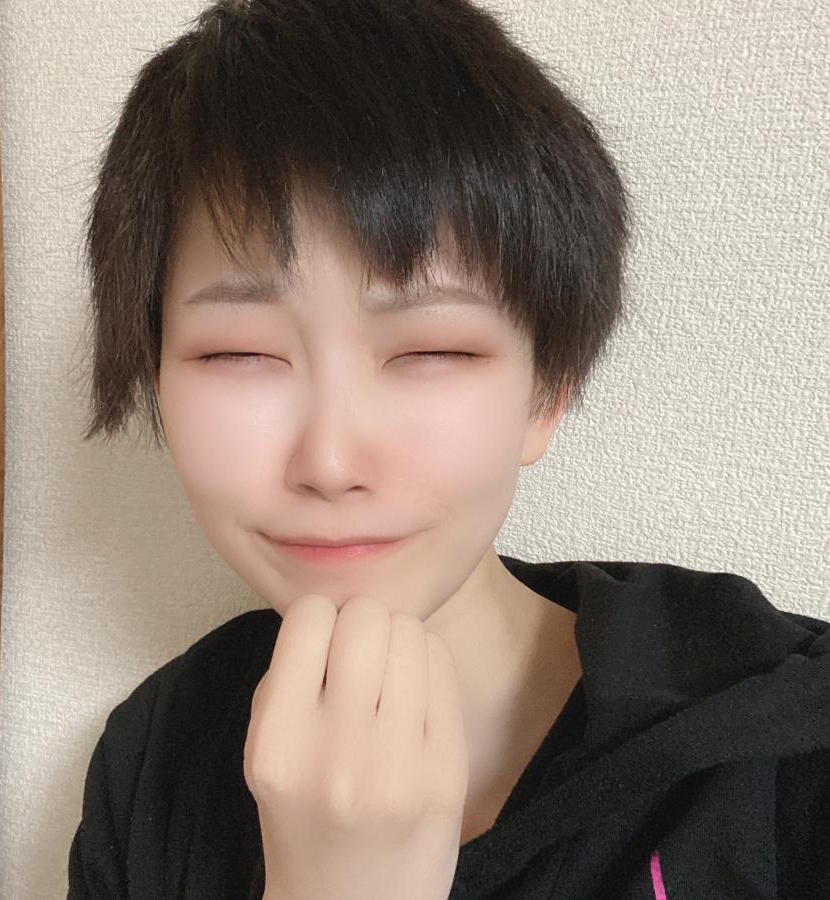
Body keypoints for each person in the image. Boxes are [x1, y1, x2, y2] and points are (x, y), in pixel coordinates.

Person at [67, 1, 830, 898]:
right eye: (239, 354)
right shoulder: (149, 765)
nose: (331, 463)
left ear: (548, 391)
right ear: (158, 380)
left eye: (431, 352)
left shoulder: (786, 758)